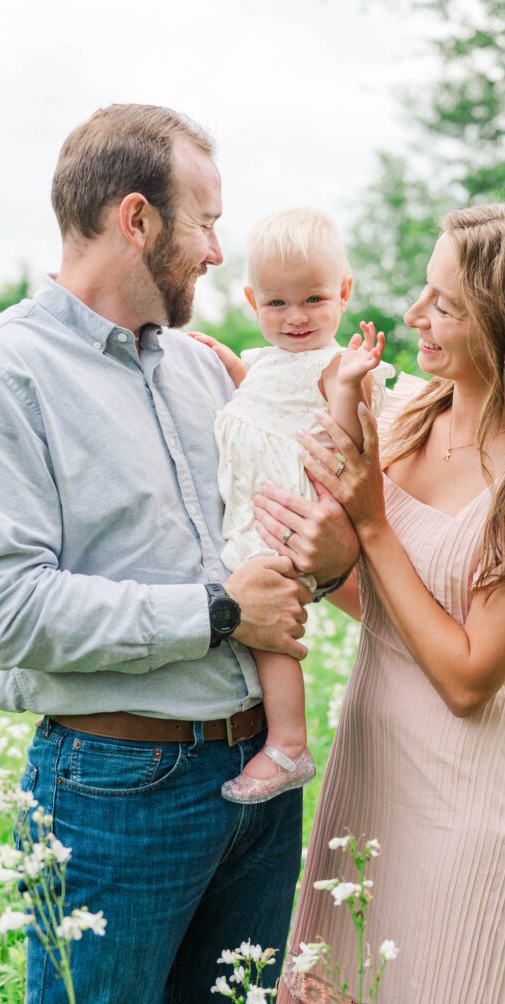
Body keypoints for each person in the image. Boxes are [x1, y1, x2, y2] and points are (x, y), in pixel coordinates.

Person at [0, 104, 357, 1004]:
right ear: (138, 219)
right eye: (207, 222)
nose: (220, 253)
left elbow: (290, 548)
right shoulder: (7, 372)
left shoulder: (208, 371)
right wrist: (218, 613)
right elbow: (4, 610)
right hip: (117, 790)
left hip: (259, 783)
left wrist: (336, 548)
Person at [250, 204, 505, 1004]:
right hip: (370, 790)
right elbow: (393, 615)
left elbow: (466, 679)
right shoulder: (411, 416)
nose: (413, 317)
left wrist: (371, 524)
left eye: (446, 305)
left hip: (469, 821)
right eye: (425, 292)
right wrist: (330, 573)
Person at [207, 209, 392, 804]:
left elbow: (343, 444)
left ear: (344, 293)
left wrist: (348, 388)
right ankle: (277, 736)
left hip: (296, 519)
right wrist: (234, 368)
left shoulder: (337, 366)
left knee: (267, 631)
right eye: (277, 304)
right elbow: (262, 407)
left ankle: (289, 743)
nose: (296, 318)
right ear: (251, 299)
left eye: (313, 299)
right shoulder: (264, 363)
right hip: (258, 515)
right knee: (254, 623)